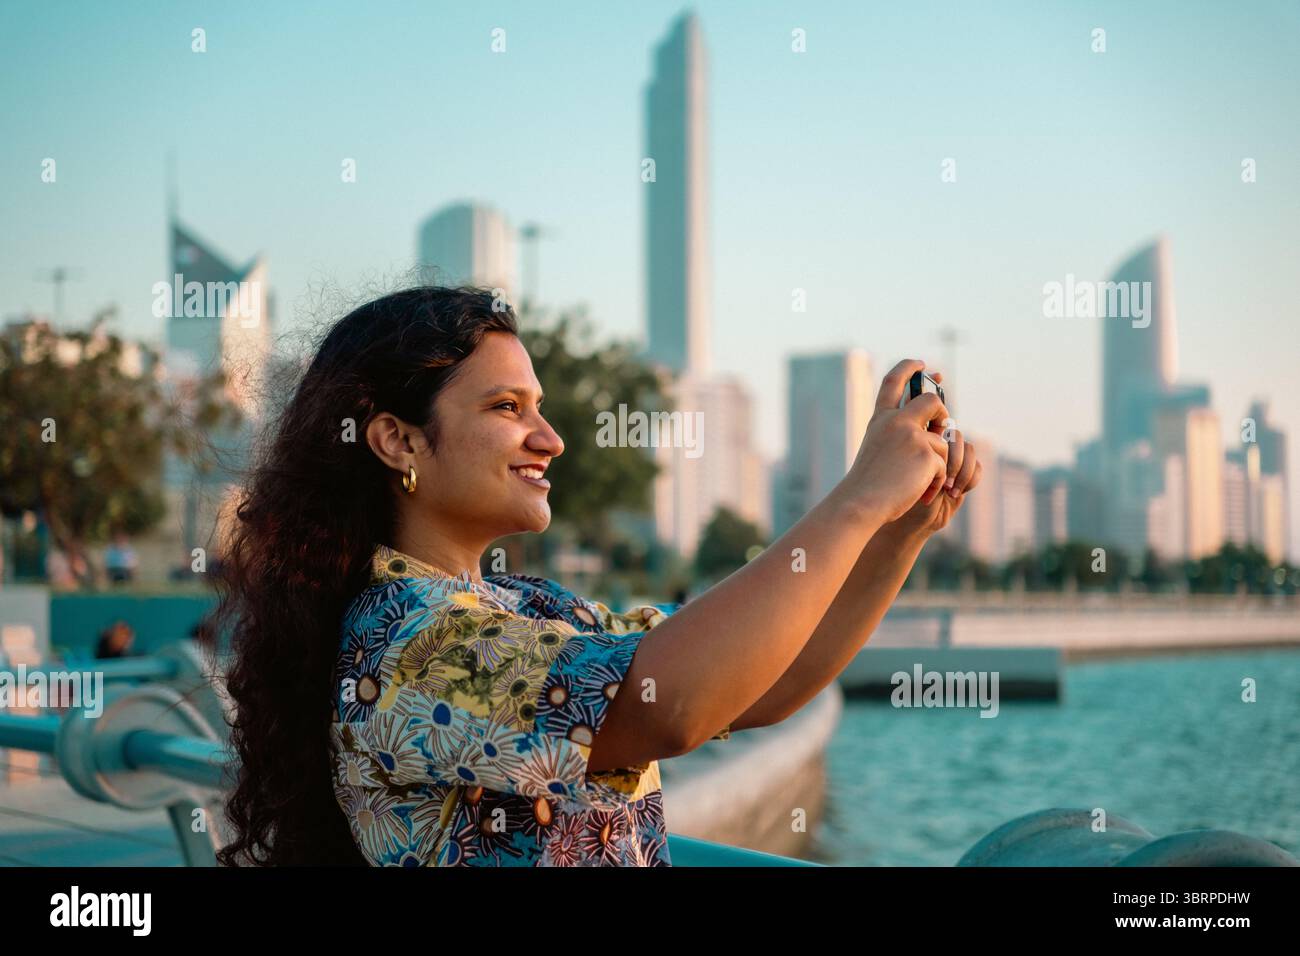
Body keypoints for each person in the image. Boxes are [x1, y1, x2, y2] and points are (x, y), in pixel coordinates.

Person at [206, 286, 981, 867]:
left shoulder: (521, 605)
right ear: (397, 441)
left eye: (538, 406)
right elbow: (672, 708)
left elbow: (760, 687)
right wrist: (858, 499)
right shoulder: (410, 644)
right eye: (507, 407)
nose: (549, 438)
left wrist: (898, 533)